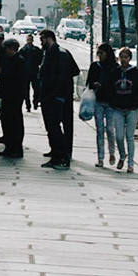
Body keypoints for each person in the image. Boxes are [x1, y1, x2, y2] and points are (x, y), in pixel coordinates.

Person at [34, 29, 80, 170]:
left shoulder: (59, 54)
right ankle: (57, 152)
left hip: (55, 96)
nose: (41, 43)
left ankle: (61, 155)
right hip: (52, 95)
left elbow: (65, 74)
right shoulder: (52, 53)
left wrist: (54, 92)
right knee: (52, 127)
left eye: (42, 39)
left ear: (49, 39)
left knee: (54, 126)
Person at [110, 48, 138, 173]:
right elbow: (110, 87)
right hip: (118, 108)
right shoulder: (115, 72)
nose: (123, 60)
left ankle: (130, 164)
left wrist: (136, 100)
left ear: (130, 58)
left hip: (132, 108)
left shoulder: (136, 73)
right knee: (119, 136)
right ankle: (122, 155)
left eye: (126, 57)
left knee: (130, 136)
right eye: (121, 57)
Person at [87, 42, 119, 167]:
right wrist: (94, 84)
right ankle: (100, 157)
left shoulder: (114, 68)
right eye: (98, 53)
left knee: (110, 129)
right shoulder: (95, 66)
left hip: (110, 101)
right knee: (100, 130)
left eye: (102, 53)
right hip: (98, 100)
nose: (100, 56)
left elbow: (116, 85)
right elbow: (89, 82)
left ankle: (112, 152)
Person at [0, 38, 28, 158]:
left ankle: (15, 148)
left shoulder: (18, 61)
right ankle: (9, 146)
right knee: (7, 122)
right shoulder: (11, 60)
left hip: (13, 96)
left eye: (6, 49)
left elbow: (17, 80)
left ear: (11, 49)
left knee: (14, 122)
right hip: (9, 96)